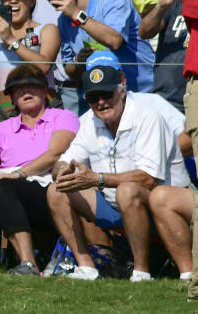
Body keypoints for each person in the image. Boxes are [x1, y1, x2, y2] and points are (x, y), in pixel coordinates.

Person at [47, 53, 191, 281]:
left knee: (128, 190)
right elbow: (65, 160)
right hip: (114, 204)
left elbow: (148, 179)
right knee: (56, 189)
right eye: (94, 98)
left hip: (160, 204)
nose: (101, 103)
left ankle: (141, 272)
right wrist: (63, 169)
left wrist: (97, 179)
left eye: (106, 94)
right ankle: (87, 267)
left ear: (122, 88)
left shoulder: (147, 114)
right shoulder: (88, 121)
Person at [0, 64, 78, 274]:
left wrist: (18, 173)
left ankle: (28, 263)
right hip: (6, 188)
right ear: (12, 97)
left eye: (33, 86)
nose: (26, 91)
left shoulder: (63, 117)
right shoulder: (3, 128)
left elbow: (55, 154)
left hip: (47, 188)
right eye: (19, 88)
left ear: (45, 91)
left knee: (4, 187)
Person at [37, 0, 154, 96]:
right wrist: (79, 61)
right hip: (99, 96)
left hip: (140, 92)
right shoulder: (63, 20)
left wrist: (76, 14)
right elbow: (69, 68)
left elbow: (114, 40)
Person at [0, 0, 60, 100]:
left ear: (32, 1)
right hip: (8, 111)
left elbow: (44, 67)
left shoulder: (47, 30)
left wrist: (12, 40)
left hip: (45, 108)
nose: (13, 1)